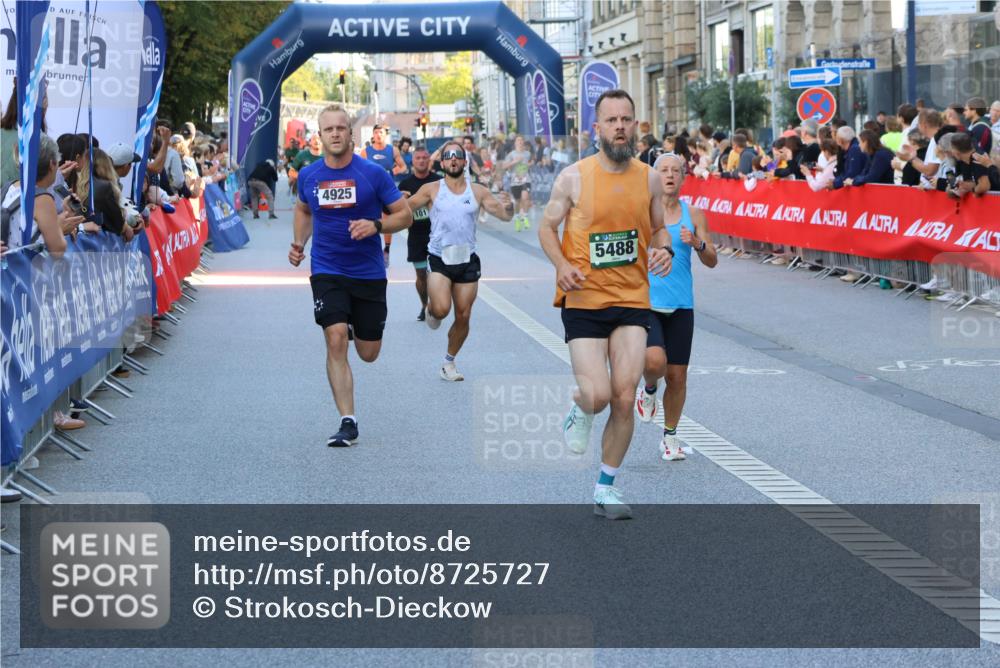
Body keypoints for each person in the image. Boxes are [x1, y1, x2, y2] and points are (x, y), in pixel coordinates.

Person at [538, 89, 673, 520]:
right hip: (584, 300)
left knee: (624, 396)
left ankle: (605, 487)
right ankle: (581, 407)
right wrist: (561, 265)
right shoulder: (573, 177)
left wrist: (664, 249)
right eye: (611, 120)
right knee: (597, 395)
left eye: (626, 119)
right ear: (596, 127)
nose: (619, 127)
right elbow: (546, 228)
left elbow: (659, 229)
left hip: (632, 298)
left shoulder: (649, 178)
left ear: (636, 125)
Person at [287, 105, 412, 447]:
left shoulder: (373, 174)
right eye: (329, 129)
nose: (335, 134)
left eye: (341, 128)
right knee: (335, 336)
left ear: (350, 133)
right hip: (327, 268)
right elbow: (303, 209)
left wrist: (376, 225)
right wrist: (299, 242)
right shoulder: (310, 176)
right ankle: (348, 421)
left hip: (368, 272)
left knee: (369, 353)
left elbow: (404, 216)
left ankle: (355, 322)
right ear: (320, 136)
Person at [404, 141, 515, 381]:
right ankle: (431, 309)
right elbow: (405, 208)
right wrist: (395, 200)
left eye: (458, 156)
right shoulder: (431, 189)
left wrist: (510, 208)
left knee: (463, 315)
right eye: (448, 156)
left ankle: (448, 363)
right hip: (439, 258)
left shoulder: (478, 191)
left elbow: (504, 216)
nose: (453, 159)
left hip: (467, 259)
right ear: (442, 162)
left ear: (464, 161)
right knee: (442, 309)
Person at [635, 152, 716, 460]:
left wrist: (697, 243)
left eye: (675, 171)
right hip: (647, 302)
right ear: (654, 177)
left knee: (678, 377)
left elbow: (711, 260)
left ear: (683, 178)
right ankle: (649, 389)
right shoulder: (641, 212)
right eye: (663, 170)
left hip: (681, 304)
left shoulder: (693, 214)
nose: (669, 175)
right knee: (654, 361)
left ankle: (670, 437)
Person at [397, 146, 442, 321]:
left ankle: (437, 304)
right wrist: (403, 200)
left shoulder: (439, 181)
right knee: (421, 275)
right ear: (413, 161)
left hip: (437, 235)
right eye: (418, 158)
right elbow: (397, 210)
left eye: (425, 158)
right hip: (416, 236)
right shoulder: (405, 184)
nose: (422, 161)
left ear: (429, 160)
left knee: (438, 274)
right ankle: (424, 305)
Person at [361, 124, 406, 267]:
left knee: (386, 221)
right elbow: (359, 169)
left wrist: (394, 171)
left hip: (387, 191)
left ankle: (386, 249)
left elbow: (403, 166)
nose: (378, 135)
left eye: (380, 132)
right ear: (373, 135)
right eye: (375, 132)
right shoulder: (365, 152)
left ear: (385, 134)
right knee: (370, 220)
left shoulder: (392, 150)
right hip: (370, 191)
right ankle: (371, 251)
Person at [503, 135, 534, 231]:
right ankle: (517, 218)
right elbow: (504, 166)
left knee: (525, 197)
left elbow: (531, 161)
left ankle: (525, 217)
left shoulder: (528, 153)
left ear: (523, 142)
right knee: (517, 201)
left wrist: (530, 164)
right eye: (518, 140)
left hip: (526, 179)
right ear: (515, 143)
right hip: (515, 181)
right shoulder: (511, 154)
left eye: (521, 140)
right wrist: (514, 161)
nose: (520, 142)